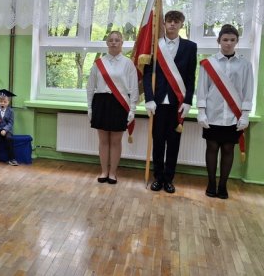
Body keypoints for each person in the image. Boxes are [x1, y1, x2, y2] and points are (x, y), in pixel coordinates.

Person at [196, 24, 253, 199]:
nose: (228, 43)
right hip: (212, 114)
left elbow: (248, 90)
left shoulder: (245, 64)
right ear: (218, 41)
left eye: (232, 40)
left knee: (228, 149)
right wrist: (201, 111)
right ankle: (211, 183)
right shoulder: (208, 63)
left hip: (233, 116)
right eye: (225, 39)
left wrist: (245, 114)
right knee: (212, 147)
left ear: (237, 41)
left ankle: (223, 185)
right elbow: (202, 88)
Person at [143, 10, 197, 194]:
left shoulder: (190, 47)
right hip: (157, 104)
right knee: (158, 142)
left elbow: (190, 77)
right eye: (169, 21)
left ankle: (168, 179)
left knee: (173, 143)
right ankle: (158, 177)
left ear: (181, 24)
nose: (172, 24)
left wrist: (188, 101)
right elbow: (147, 74)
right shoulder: (155, 45)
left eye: (176, 21)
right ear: (164, 23)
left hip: (177, 103)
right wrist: (149, 98)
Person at [86, 31, 139, 184]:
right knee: (103, 140)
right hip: (101, 102)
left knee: (116, 141)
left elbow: (134, 87)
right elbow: (90, 87)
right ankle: (104, 171)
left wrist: (132, 109)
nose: (114, 42)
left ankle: (113, 173)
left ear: (122, 43)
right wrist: (89, 107)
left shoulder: (128, 63)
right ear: (107, 43)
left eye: (117, 40)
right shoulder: (98, 63)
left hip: (119, 103)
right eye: (111, 40)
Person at [0, 89, 18, 165]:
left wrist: (5, 129)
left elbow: (11, 123)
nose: (2, 103)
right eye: (1, 101)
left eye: (5, 102)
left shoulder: (11, 111)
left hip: (6, 129)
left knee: (9, 138)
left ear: (8, 102)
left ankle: (11, 158)